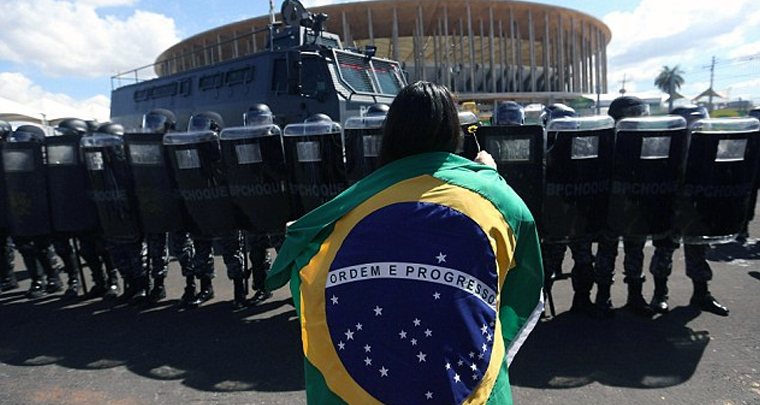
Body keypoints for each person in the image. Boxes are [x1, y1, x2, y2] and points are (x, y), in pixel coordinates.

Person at [265, 82, 544, 405]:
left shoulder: (354, 204)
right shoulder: (495, 199)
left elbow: (309, 261)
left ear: (391, 133)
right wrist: (489, 179)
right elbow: (520, 280)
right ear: (454, 132)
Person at [646, 105, 729, 316]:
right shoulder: (664, 146)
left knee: (698, 250)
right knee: (664, 250)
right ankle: (659, 294)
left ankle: (701, 294)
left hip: (697, 206)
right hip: (670, 205)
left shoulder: (710, 147)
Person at [594, 95, 653, 317]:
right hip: (611, 206)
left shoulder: (647, 139)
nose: (640, 119)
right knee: (606, 253)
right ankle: (603, 297)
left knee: (635, 251)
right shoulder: (606, 138)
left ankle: (635, 296)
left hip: (636, 204)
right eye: (635, 114)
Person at [540, 103, 597, 315]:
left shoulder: (585, 148)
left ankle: (582, 300)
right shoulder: (541, 148)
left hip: (577, 215)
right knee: (546, 267)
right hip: (553, 218)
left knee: (584, 261)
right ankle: (538, 307)